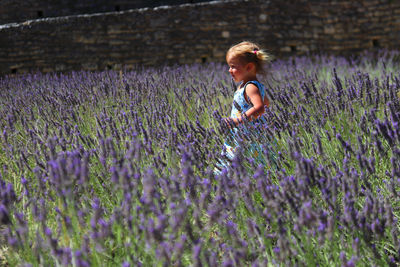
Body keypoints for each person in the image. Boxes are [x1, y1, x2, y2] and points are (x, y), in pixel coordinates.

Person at [215, 41, 276, 174]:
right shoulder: (249, 86)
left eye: (233, 66)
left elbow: (260, 107)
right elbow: (266, 103)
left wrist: (238, 121)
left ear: (249, 67)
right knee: (249, 164)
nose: (229, 70)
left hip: (246, 134)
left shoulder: (250, 87)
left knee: (239, 164)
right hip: (246, 133)